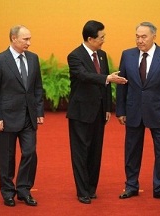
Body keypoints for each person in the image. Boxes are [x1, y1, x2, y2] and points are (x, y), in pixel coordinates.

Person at [67, 20, 127, 204]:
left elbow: (106, 86)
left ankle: (92, 188)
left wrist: (107, 107)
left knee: (95, 152)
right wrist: (107, 78)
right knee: (80, 152)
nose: (104, 40)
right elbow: (84, 76)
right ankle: (82, 191)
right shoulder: (75, 56)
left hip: (99, 112)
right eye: (101, 37)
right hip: (81, 112)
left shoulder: (101, 55)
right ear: (90, 38)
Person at [116, 22, 160, 201]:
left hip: (159, 112)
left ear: (153, 37)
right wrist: (120, 110)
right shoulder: (127, 55)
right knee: (132, 150)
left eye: (143, 37)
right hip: (133, 111)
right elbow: (122, 85)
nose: (139, 40)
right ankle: (131, 185)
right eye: (137, 36)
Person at [0, 25, 44, 207]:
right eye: (25, 39)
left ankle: (24, 190)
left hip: (29, 116)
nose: (29, 42)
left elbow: (37, 88)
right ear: (13, 38)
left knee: (29, 153)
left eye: (29, 39)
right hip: (6, 117)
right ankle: (7, 192)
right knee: (7, 157)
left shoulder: (33, 59)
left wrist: (39, 111)